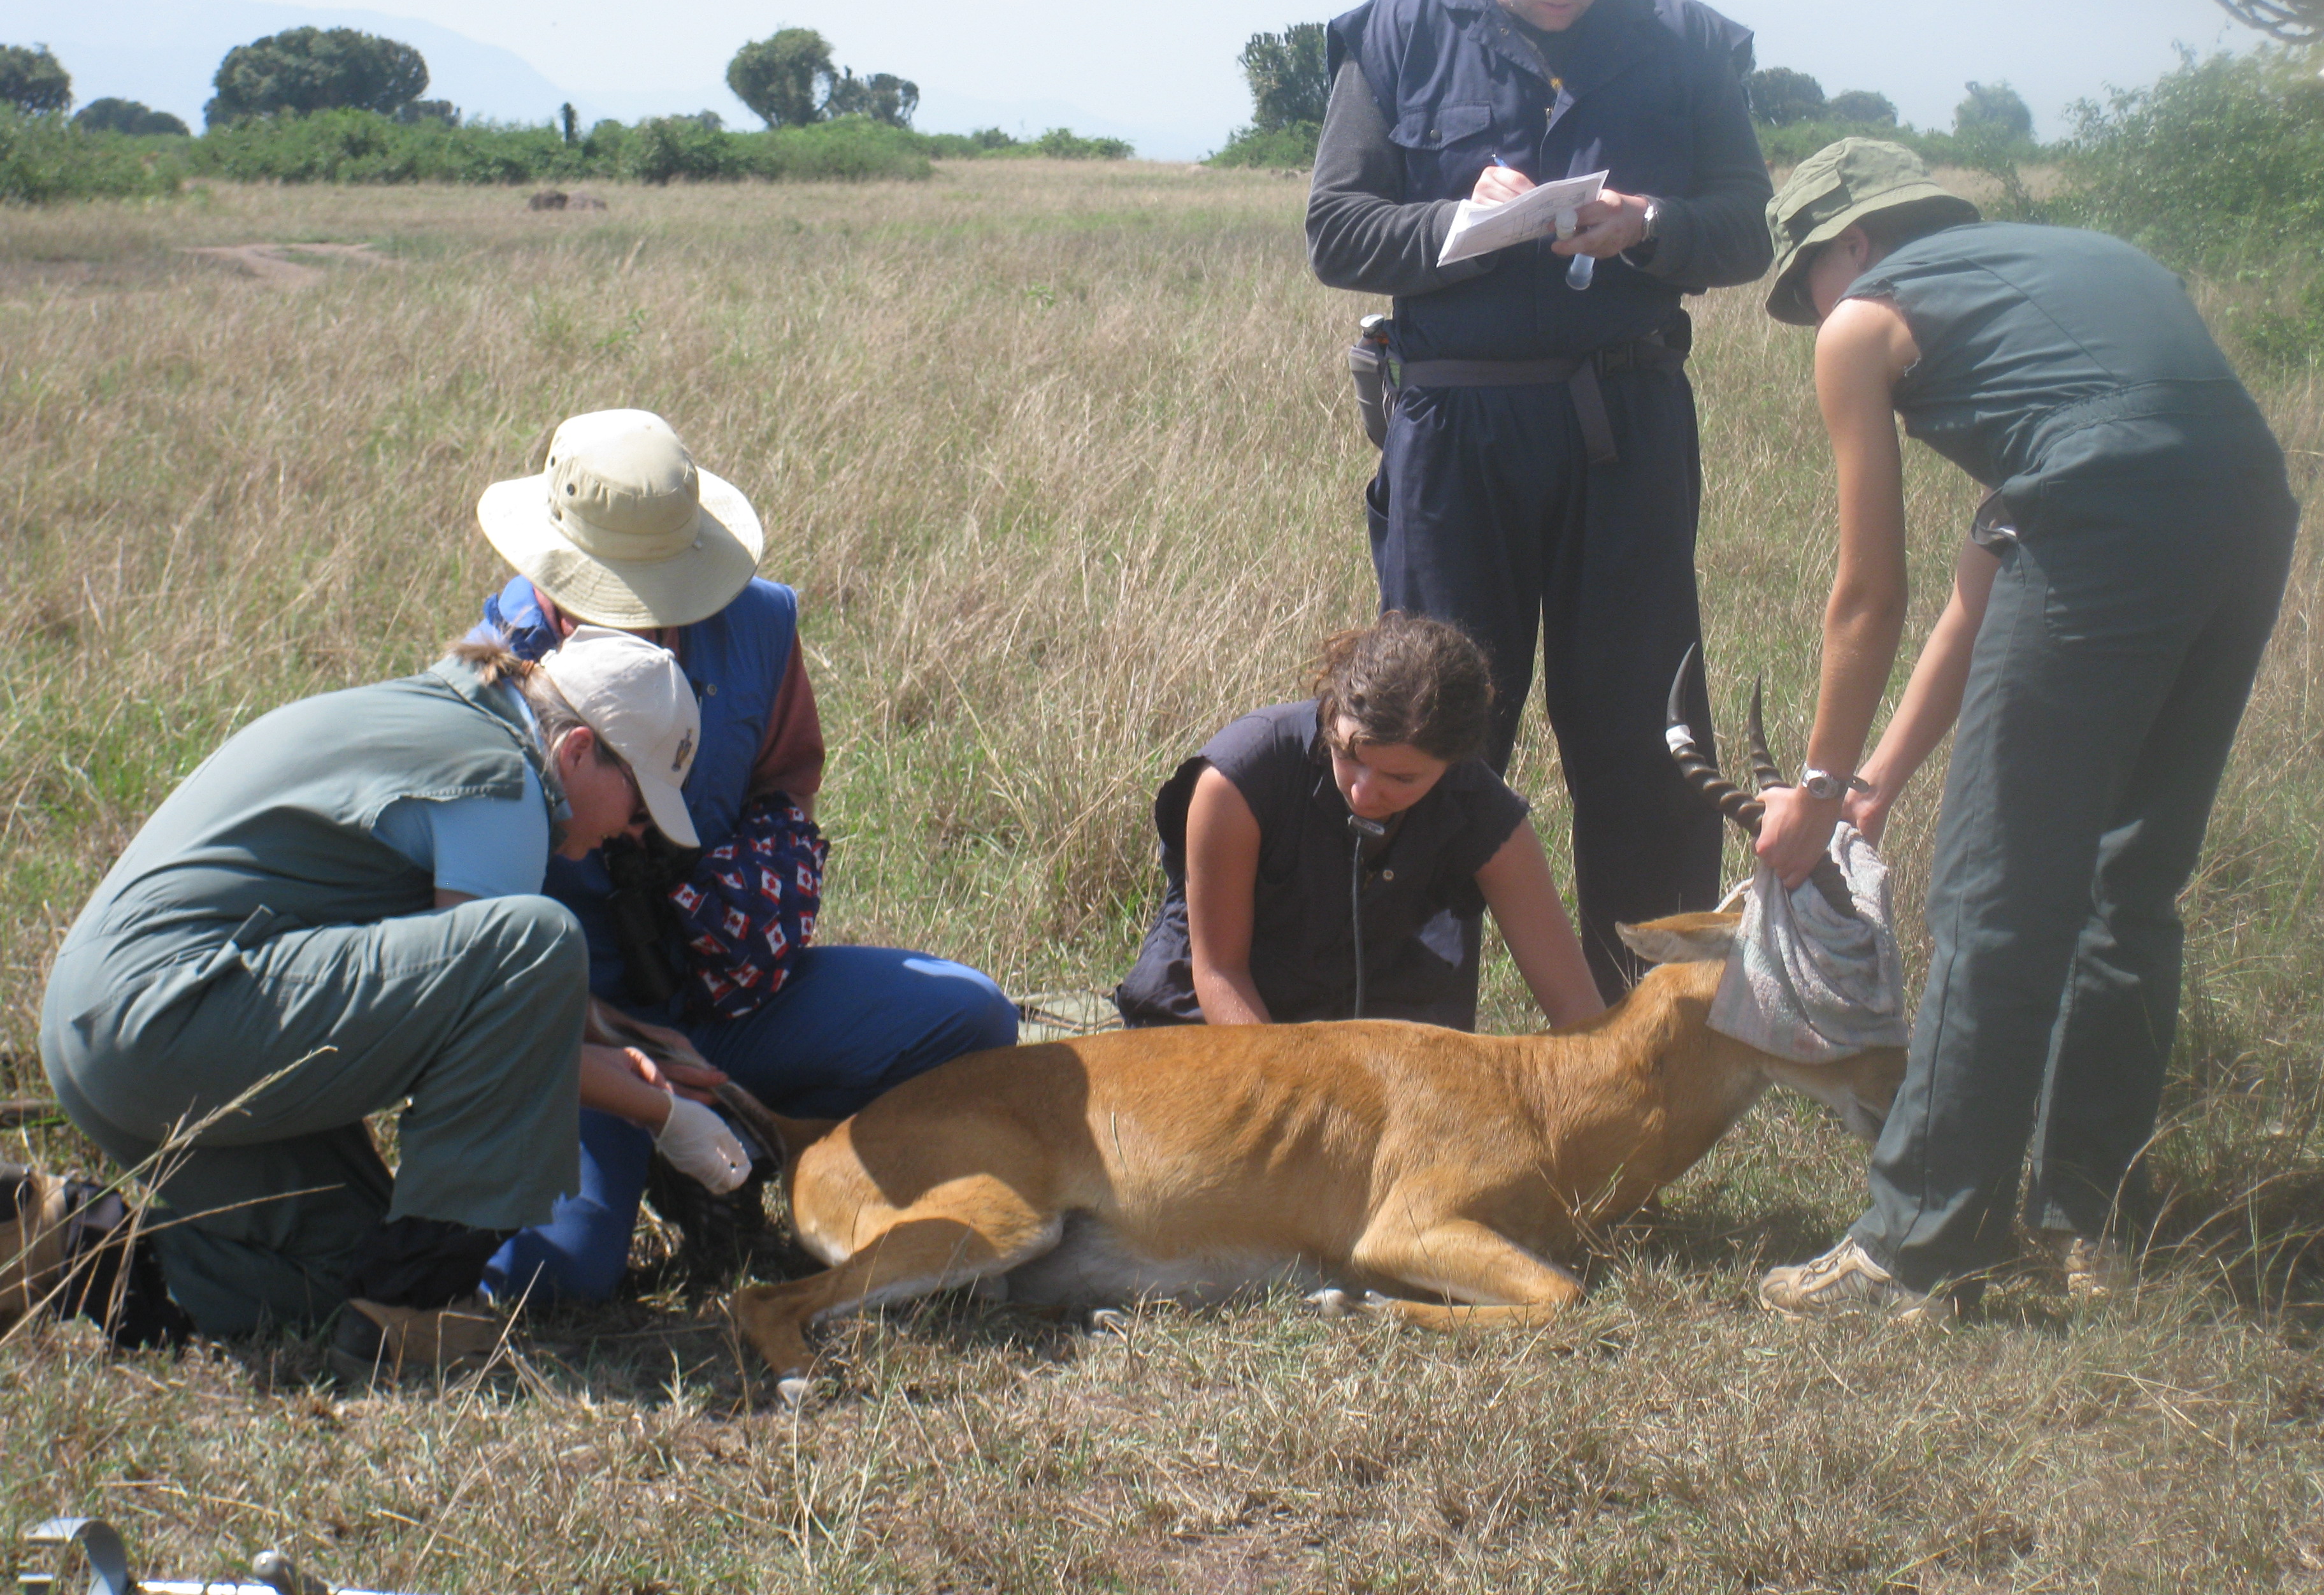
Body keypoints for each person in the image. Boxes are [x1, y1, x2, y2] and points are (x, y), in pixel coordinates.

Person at [1748, 139, 2299, 1317]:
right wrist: (1872, 782)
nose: (1813, 315)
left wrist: (1808, 783)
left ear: (1850, 244)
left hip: (2105, 521)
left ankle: (1911, 1251)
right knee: (2127, 882)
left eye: (1803, 284)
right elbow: (1982, 586)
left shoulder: (1865, 321)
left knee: (1993, 900)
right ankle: (2086, 1222)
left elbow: (1869, 597)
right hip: (2247, 517)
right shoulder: (2077, 271)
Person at [1307, 0, 1775, 1006]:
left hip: (1625, 416)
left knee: (1644, 732)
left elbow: (1744, 232)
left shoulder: (1690, 40)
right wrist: (1459, 226)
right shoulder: (1394, 34)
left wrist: (1648, 225)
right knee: (1434, 719)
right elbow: (1334, 229)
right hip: (1454, 428)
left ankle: (1646, 1037)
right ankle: (1414, 1032)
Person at [32, 626, 729, 1379]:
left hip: (105, 1027)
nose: (635, 832)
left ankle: (63, 1241)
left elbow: (473, 998)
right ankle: (416, 1307)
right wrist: (664, 1116)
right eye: (639, 805)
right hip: (170, 1020)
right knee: (540, 941)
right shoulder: (503, 784)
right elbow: (501, 1010)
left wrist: (614, 1035)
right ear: (579, 751)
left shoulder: (446, 710)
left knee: (341, 1275)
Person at [470, 409, 1019, 1304]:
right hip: (580, 1026)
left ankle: (811, 1164)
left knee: (974, 1019)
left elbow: (788, 778)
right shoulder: (495, 676)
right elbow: (478, 956)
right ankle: (655, 1154)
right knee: (552, 1282)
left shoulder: (757, 624)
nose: (642, 615)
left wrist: (748, 909)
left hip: (725, 995)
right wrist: (630, 1061)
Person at [1115, 614, 1604, 1032]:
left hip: (1366, 1044)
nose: (1364, 791)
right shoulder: (1239, 779)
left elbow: (1576, 1008)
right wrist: (1297, 1096)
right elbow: (1220, 973)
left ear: (1453, 765)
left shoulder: (1483, 813)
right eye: (1350, 754)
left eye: (1401, 777)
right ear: (1333, 711)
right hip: (1217, 1026)